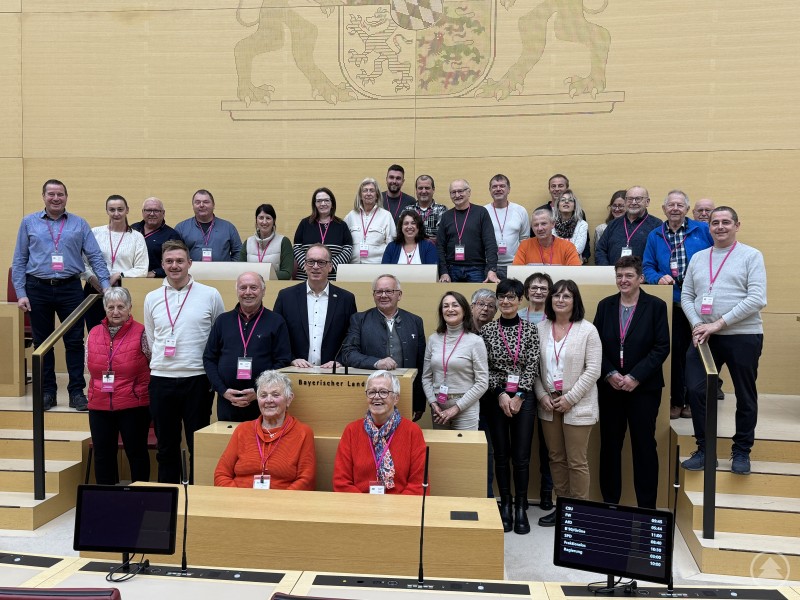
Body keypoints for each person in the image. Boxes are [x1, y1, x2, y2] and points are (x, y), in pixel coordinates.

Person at [681, 207, 766, 476]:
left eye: (725, 222)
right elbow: (687, 295)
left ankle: (741, 451)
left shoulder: (751, 255)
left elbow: (756, 299)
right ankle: (705, 450)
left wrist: (718, 323)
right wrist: (697, 324)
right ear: (709, 227)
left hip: (743, 336)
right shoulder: (697, 258)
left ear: (737, 225)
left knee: (744, 394)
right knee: (695, 390)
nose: (720, 227)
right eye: (715, 222)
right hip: (704, 337)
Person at [12, 179, 111, 411]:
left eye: (60, 194)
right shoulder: (29, 223)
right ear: (43, 196)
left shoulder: (79, 223)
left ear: (67, 197)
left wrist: (105, 285)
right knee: (42, 342)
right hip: (37, 288)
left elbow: (95, 256)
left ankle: (76, 391)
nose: (56, 198)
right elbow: (19, 260)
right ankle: (48, 392)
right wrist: (20, 293)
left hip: (70, 288)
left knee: (75, 341)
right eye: (51, 194)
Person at [144, 240, 225, 483]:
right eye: (169, 261)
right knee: (166, 447)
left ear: (190, 263)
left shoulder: (210, 295)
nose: (175, 266)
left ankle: (198, 497)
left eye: (180, 261)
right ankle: (169, 500)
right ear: (162, 264)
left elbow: (217, 338)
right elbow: (151, 337)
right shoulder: (152, 297)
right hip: (161, 379)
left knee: (197, 445)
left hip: (197, 380)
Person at [594, 256, 670, 508]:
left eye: (628, 275)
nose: (623, 280)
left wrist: (635, 376)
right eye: (619, 276)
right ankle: (610, 504)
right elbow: (596, 347)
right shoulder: (605, 306)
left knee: (644, 446)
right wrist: (610, 374)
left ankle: (647, 507)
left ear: (641, 278)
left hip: (644, 389)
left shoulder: (656, 305)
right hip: (611, 388)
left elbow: (662, 347)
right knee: (610, 447)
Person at [534, 279, 601, 526]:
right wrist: (542, 396)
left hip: (578, 404)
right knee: (556, 458)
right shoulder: (541, 328)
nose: (560, 300)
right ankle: (562, 507)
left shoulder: (587, 330)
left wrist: (570, 399)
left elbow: (593, 370)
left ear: (575, 301)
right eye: (556, 296)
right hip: (548, 404)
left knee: (576, 460)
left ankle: (578, 511)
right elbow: (534, 369)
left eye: (566, 296)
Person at [642, 190, 713, 419]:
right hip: (672, 301)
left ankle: (695, 401)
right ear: (663, 209)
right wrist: (657, 278)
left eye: (679, 205)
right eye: (670, 205)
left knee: (698, 353)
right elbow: (647, 267)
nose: (674, 208)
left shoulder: (702, 230)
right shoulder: (655, 235)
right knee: (675, 354)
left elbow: (717, 256)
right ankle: (676, 400)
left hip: (699, 302)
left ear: (687, 210)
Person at [480, 279, 540, 534]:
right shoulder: (487, 331)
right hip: (496, 399)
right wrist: (502, 394)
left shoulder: (530, 329)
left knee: (522, 457)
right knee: (501, 456)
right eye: (501, 297)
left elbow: (532, 365)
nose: (506, 301)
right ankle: (505, 504)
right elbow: (485, 368)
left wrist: (519, 395)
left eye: (511, 297)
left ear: (520, 300)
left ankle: (520, 507)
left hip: (523, 400)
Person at [203, 272, 292, 422]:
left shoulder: (276, 321)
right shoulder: (222, 321)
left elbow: (282, 361)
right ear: (237, 291)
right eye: (243, 288)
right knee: (229, 443)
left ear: (263, 291)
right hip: (227, 401)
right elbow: (209, 358)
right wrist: (222, 390)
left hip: (263, 402)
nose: (248, 292)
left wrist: (258, 391)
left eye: (253, 287)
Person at [85, 287, 152, 485]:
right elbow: (88, 365)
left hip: (134, 405)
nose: (116, 312)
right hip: (99, 404)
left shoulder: (142, 332)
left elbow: (152, 363)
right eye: (111, 307)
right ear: (104, 309)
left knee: (136, 452)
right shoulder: (94, 333)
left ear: (130, 307)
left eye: (121, 307)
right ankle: (107, 497)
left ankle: (141, 496)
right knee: (103, 454)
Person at [341, 275, 426, 419]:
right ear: (373, 295)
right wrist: (376, 362)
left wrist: (419, 402)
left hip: (404, 394)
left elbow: (421, 364)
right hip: (372, 396)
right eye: (378, 292)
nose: (383, 295)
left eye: (389, 291)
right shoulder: (359, 320)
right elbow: (348, 354)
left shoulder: (415, 321)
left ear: (399, 295)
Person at [214, 370, 316, 490]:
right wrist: (240, 498)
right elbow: (221, 474)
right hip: (240, 502)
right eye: (263, 395)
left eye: (275, 395)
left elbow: (306, 479)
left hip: (281, 504)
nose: (268, 400)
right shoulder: (242, 430)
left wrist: (276, 503)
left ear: (289, 399)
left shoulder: (303, 433)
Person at [333, 370, 426, 494]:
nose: (376, 396)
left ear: (396, 398)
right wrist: (366, 508)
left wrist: (395, 510)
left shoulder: (412, 431)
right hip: (359, 508)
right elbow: (341, 482)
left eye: (383, 392)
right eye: (371, 392)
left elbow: (418, 485)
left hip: (400, 508)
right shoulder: (352, 431)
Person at [273, 244, 357, 368]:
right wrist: (291, 359)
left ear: (330, 266)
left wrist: (340, 360)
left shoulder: (346, 299)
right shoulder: (286, 296)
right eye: (311, 262)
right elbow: (277, 334)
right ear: (305, 265)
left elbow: (351, 336)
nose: (316, 267)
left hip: (332, 373)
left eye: (321, 262)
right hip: (294, 370)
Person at [516, 273, 555, 511]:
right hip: (523, 389)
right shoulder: (517, 316)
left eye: (543, 288)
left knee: (549, 446)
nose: (538, 291)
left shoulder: (557, 316)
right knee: (523, 446)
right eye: (534, 287)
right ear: (527, 291)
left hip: (551, 389)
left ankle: (547, 493)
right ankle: (522, 496)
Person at [422, 291, 488, 430]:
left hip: (466, 407)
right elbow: (426, 377)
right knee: (442, 451)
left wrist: (456, 408)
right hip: (438, 408)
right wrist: (433, 403)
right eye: (445, 306)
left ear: (464, 310)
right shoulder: (433, 339)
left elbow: (482, 382)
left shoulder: (475, 341)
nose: (450, 309)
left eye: (455, 305)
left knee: (463, 451)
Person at [83, 194, 149, 331]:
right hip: (94, 290)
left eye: (120, 209)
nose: (116, 213)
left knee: (122, 333)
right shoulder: (95, 233)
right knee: (95, 331)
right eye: (112, 210)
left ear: (127, 210)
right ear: (107, 211)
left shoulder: (137, 237)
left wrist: (119, 275)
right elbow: (83, 263)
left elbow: (142, 268)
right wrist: (91, 278)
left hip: (122, 290)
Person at [437, 179, 500, 283]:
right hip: (452, 269)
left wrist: (492, 269)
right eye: (453, 192)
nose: (457, 195)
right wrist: (443, 271)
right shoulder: (446, 216)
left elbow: (490, 243)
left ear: (469, 192)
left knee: (476, 299)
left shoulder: (481, 212)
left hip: (476, 268)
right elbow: (440, 246)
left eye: (460, 191)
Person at [293, 187, 353, 281]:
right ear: (315, 204)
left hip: (333, 278)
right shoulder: (304, 223)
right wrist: (308, 266)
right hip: (306, 277)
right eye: (319, 201)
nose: (323, 204)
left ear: (332, 203)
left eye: (326, 200)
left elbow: (348, 249)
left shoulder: (341, 225)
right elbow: (297, 247)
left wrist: (329, 267)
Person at [596, 186, 661, 265]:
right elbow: (600, 250)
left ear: (647, 202)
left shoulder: (657, 225)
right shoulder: (613, 224)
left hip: (643, 275)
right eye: (630, 199)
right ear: (626, 201)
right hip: (614, 275)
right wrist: (607, 270)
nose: (633, 202)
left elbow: (661, 254)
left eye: (638, 199)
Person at [174, 189, 242, 262]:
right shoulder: (181, 228)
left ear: (213, 205)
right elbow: (174, 253)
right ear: (193, 206)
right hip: (191, 272)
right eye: (197, 202)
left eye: (206, 202)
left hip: (222, 272)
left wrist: (230, 268)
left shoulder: (228, 227)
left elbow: (238, 252)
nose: (201, 205)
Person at [485, 174, 530, 279]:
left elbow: (524, 239)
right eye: (494, 186)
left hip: (514, 265)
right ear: (490, 190)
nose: (498, 189)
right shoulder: (483, 212)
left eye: (502, 186)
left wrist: (521, 263)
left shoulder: (520, 211)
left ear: (509, 189)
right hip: (489, 266)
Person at [344, 178, 396, 264]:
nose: (368, 193)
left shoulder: (386, 216)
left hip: (377, 266)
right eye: (365, 190)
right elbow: (345, 243)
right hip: (353, 266)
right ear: (360, 195)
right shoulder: (350, 216)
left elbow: (392, 245)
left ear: (377, 195)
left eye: (372, 191)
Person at [131, 197, 182, 279]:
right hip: (131, 278)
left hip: (157, 280)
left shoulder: (172, 235)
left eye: (156, 211)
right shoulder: (132, 229)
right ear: (142, 212)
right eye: (148, 210)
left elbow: (176, 262)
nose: (152, 214)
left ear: (163, 213)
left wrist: (155, 272)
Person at [239, 204, 294, 279]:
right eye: (261, 218)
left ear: (274, 221)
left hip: (276, 286)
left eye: (268, 218)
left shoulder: (284, 241)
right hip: (252, 287)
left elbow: (287, 273)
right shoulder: (248, 242)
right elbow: (240, 270)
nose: (264, 222)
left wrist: (259, 276)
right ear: (256, 220)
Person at [513, 209, 581, 266]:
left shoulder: (568, 247)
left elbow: (576, 274)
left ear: (553, 224)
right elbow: (517, 273)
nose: (540, 228)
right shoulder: (524, 246)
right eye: (536, 225)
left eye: (543, 224)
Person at [552, 190, 589, 257]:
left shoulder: (582, 224)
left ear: (574, 206)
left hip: (573, 263)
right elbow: (551, 248)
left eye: (570, 200)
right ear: (558, 206)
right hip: (553, 262)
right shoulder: (551, 224)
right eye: (563, 200)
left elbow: (578, 249)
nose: (566, 202)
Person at [411, 175, 446, 241]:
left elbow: (444, 237)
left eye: (427, 188)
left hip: (435, 250)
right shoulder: (408, 210)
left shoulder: (442, 210)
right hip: (412, 250)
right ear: (416, 190)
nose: (424, 191)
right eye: (420, 188)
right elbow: (402, 236)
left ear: (433, 190)